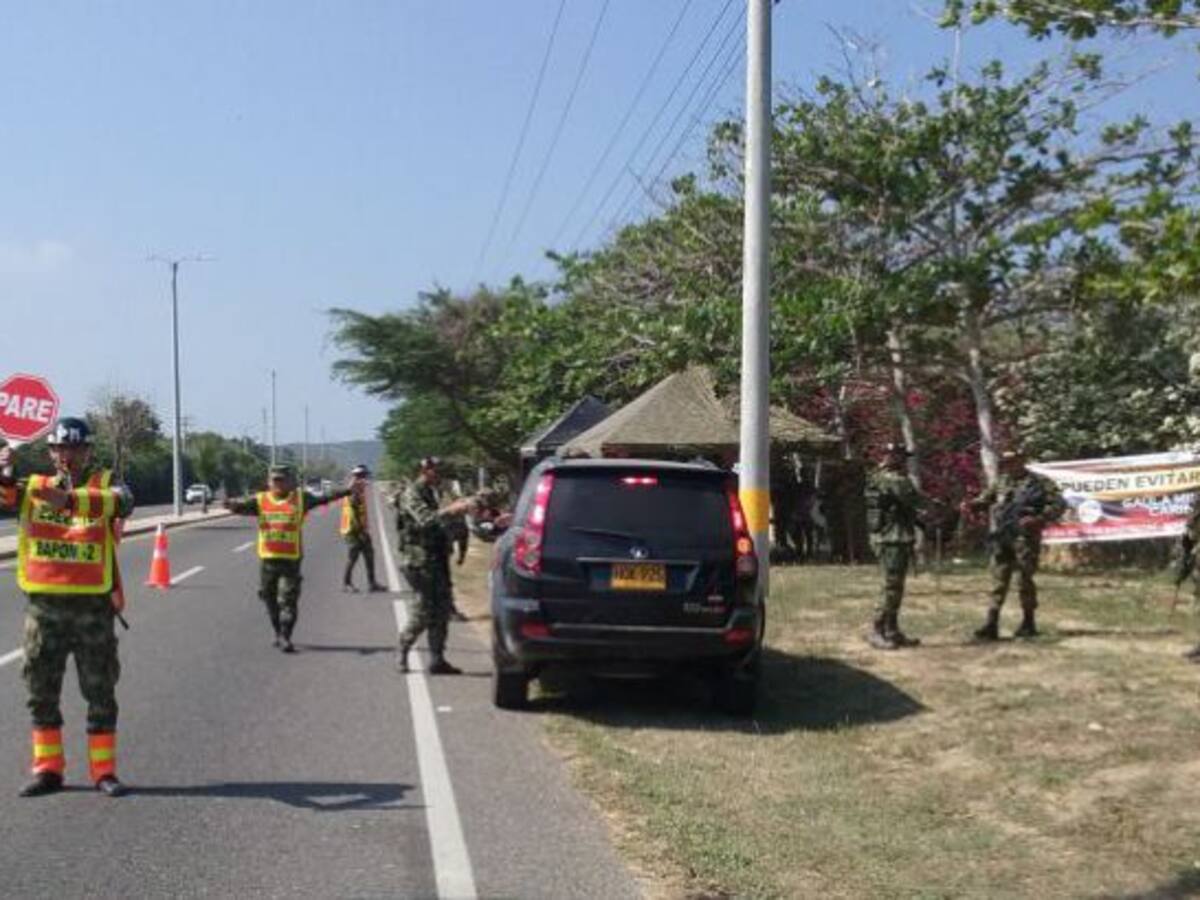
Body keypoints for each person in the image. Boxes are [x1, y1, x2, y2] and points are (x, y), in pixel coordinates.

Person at [0, 418, 134, 797]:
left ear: (88, 451)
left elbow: (125, 502)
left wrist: (71, 501)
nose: (68, 456)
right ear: (51, 453)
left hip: (93, 608)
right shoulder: (36, 487)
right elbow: (6, 498)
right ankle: (48, 770)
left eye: (76, 448)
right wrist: (5, 470)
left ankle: (104, 772)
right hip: (44, 610)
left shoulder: (108, 484)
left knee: (100, 691)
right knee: (40, 690)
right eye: (60, 449)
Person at [224, 464, 351, 653]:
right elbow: (241, 507)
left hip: (291, 561)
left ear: (291, 481)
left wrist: (348, 490)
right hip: (268, 561)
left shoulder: (301, 498)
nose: (278, 483)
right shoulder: (260, 500)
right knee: (269, 599)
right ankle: (278, 632)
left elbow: (326, 497)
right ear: (269, 482)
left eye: (282, 479)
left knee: (288, 601)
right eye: (275, 480)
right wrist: (231, 505)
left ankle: (285, 636)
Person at [969, 450, 1066, 641]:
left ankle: (1028, 623)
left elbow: (1059, 504)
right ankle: (991, 624)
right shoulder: (1001, 482)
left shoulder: (1039, 482)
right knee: (998, 579)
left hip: (1025, 538)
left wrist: (1039, 518)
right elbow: (986, 499)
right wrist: (974, 504)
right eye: (1006, 462)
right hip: (1002, 536)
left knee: (1024, 580)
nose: (1009, 466)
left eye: (1013, 462)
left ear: (1021, 461)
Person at [394, 457, 475, 674]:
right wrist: (452, 510)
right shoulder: (412, 493)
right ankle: (403, 649)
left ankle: (437, 659)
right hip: (419, 562)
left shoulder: (432, 491)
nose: (440, 475)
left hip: (436, 559)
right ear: (426, 470)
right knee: (423, 611)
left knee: (441, 611)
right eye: (437, 471)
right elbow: (426, 520)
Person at [864, 442, 927, 649]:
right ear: (892, 457)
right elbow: (914, 500)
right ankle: (877, 630)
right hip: (892, 539)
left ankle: (892, 630)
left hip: (895, 537)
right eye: (900, 456)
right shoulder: (893, 479)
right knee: (890, 587)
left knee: (896, 587)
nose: (904, 461)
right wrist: (939, 509)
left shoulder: (879, 476)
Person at [341, 464, 385, 593]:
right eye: (365, 476)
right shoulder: (353, 490)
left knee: (369, 554)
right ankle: (346, 584)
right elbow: (353, 513)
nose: (366, 480)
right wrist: (361, 532)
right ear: (359, 477)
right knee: (353, 556)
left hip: (360, 530)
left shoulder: (358, 489)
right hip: (352, 530)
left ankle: (372, 583)